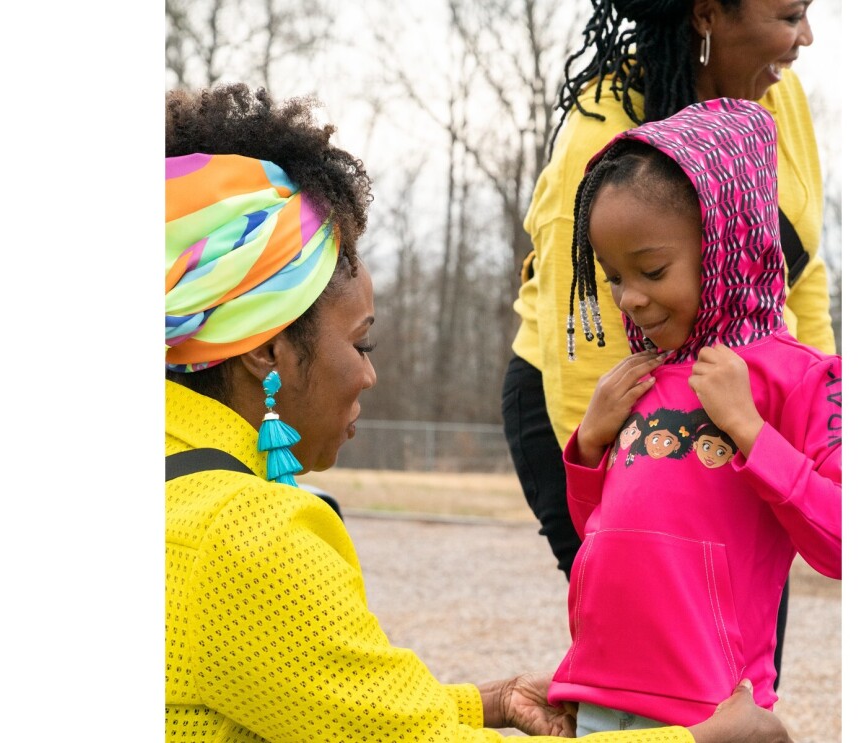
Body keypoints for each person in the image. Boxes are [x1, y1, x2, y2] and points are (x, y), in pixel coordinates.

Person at [165, 82, 794, 742]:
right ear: (267, 352)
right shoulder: (248, 538)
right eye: (360, 342)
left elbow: (315, 698)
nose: (369, 373)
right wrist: (701, 740)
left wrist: (486, 701)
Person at [500, 0, 834, 688]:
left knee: (729, 653)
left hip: (736, 391)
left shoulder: (778, 90)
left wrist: (811, 410)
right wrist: (594, 446)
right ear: (707, 13)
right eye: (789, 13)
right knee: (642, 636)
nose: (806, 36)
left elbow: (798, 260)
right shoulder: (603, 131)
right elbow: (589, 329)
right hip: (590, 384)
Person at [545, 97, 841, 736]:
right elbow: (607, 540)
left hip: (712, 712)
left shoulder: (799, 377)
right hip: (597, 696)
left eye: (652, 270)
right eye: (614, 275)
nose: (630, 298)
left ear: (728, 242)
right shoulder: (639, 373)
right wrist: (590, 447)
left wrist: (752, 434)